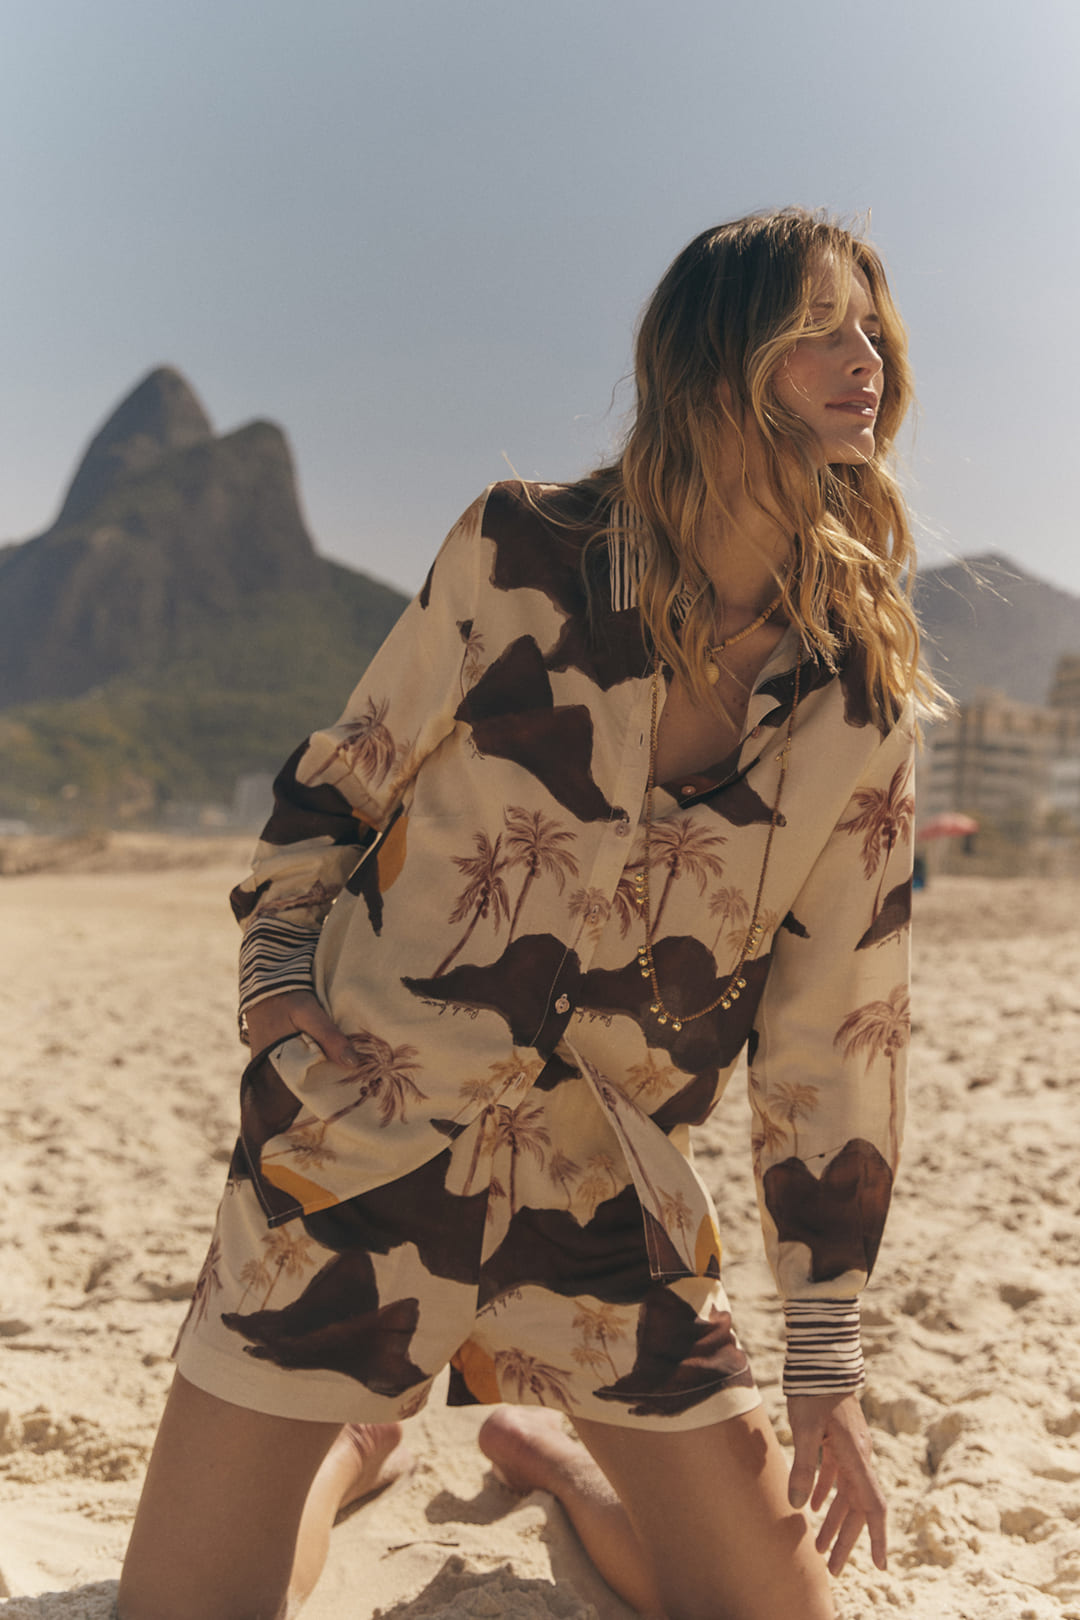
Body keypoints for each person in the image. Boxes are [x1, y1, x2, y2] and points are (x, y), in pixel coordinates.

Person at [119, 208, 936, 1620]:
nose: (864, 358)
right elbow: (344, 780)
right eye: (819, 328)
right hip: (365, 1141)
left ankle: (554, 1454)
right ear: (717, 358)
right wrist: (276, 989)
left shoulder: (859, 691)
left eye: (873, 329)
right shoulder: (522, 550)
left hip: (609, 1189)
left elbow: (837, 1028)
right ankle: (351, 1449)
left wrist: (825, 1361)